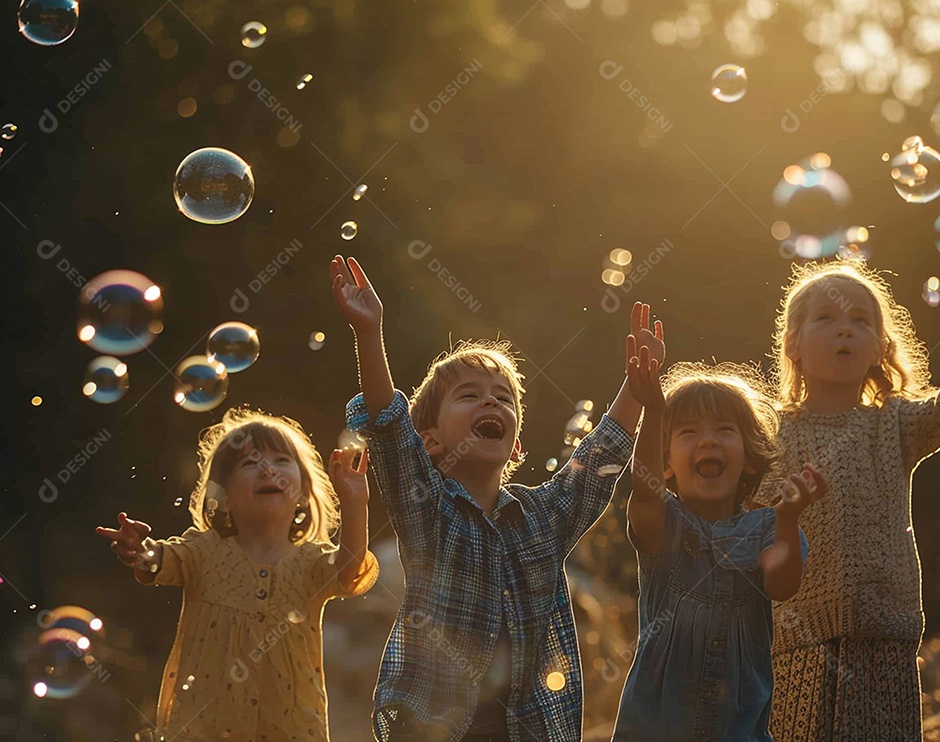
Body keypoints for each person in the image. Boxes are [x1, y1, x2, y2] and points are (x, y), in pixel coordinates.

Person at [331, 253, 654, 741]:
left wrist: (635, 388)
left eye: (503, 398)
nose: (490, 401)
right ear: (430, 442)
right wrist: (369, 333)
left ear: (516, 445)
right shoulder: (427, 508)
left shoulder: (542, 517)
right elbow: (389, 428)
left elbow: (598, 463)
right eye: (469, 395)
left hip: (525, 729)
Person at [753, 260, 940, 740]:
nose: (845, 328)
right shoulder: (770, 436)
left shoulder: (895, 425)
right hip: (798, 639)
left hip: (886, 630)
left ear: (880, 349)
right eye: (826, 317)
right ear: (793, 345)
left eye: (861, 320)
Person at [95, 407, 378, 742]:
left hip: (293, 732)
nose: (267, 469)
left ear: (302, 493)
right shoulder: (202, 551)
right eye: (249, 463)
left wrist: (355, 503)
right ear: (224, 497)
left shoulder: (311, 562)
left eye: (281, 460)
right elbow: (161, 558)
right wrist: (138, 550)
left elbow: (350, 570)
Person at [612, 333, 823, 740]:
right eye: (688, 432)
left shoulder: (767, 528)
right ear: (667, 463)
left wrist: (789, 518)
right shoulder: (665, 525)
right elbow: (644, 489)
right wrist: (653, 411)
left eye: (725, 430)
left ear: (748, 458)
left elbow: (783, 585)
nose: (707, 440)